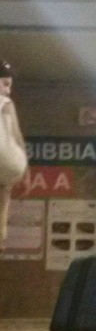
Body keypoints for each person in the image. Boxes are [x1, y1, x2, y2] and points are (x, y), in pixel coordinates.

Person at [0, 60, 27, 254]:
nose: (8, 91)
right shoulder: (6, 103)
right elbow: (16, 135)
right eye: (5, 84)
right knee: (4, 194)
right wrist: (26, 170)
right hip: (9, 162)